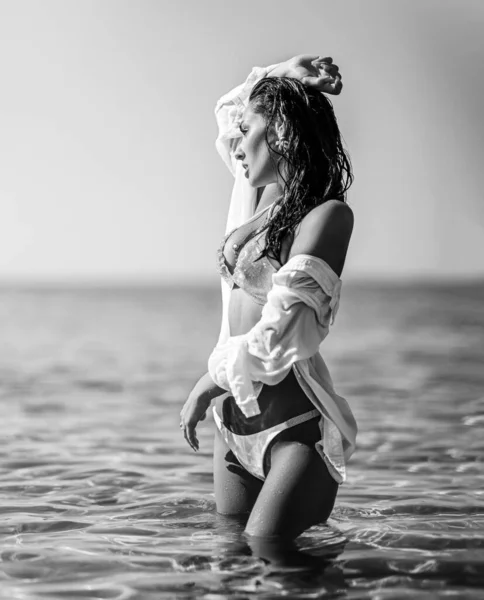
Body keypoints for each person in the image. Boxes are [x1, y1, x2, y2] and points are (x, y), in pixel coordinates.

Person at [179, 54, 357, 541]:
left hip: (292, 427)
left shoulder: (326, 216)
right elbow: (230, 111)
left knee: (270, 557)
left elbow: (287, 329)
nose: (237, 143)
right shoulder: (263, 198)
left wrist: (209, 382)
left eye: (250, 129)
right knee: (231, 570)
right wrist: (284, 74)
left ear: (279, 131)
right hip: (235, 425)